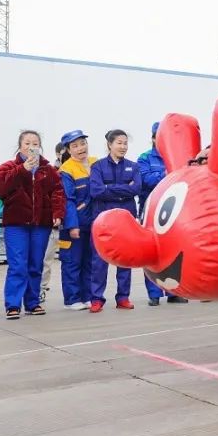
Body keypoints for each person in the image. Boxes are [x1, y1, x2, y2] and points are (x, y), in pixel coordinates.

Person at [0, 130, 64, 319]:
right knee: (18, 265)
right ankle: (13, 304)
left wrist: (57, 213)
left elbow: (57, 192)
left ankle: (33, 303)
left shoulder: (48, 169)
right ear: (20, 146)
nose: (31, 147)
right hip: (16, 223)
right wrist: (22, 169)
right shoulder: (8, 167)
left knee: (36, 264)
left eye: (35, 144)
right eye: (27, 143)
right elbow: (1, 190)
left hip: (41, 223)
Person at [88, 129, 151, 312]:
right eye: (119, 143)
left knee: (125, 260)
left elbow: (136, 189)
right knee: (99, 261)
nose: (123, 147)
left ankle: (123, 297)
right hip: (103, 220)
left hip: (126, 220)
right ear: (110, 144)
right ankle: (96, 299)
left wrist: (109, 188)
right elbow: (96, 191)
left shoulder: (133, 166)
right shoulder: (98, 166)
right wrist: (124, 190)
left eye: (125, 143)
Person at [135, 122, 179, 303]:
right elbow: (145, 180)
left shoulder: (177, 155)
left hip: (173, 212)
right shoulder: (144, 158)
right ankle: (154, 294)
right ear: (154, 138)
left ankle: (173, 292)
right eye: (160, 136)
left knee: (173, 250)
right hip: (151, 211)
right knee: (151, 252)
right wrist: (168, 173)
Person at [59, 130, 96, 309]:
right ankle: (72, 299)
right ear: (68, 150)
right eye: (75, 146)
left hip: (94, 223)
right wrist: (72, 225)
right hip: (75, 224)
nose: (81, 148)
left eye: (83, 143)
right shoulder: (66, 170)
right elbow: (68, 200)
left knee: (90, 262)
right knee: (72, 262)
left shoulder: (96, 163)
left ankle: (88, 296)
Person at [39, 141, 67, 305]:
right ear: (57, 154)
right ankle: (39, 289)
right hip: (51, 224)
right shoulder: (50, 171)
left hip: (68, 224)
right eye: (63, 152)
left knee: (67, 262)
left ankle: (75, 295)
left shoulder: (80, 169)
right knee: (44, 259)